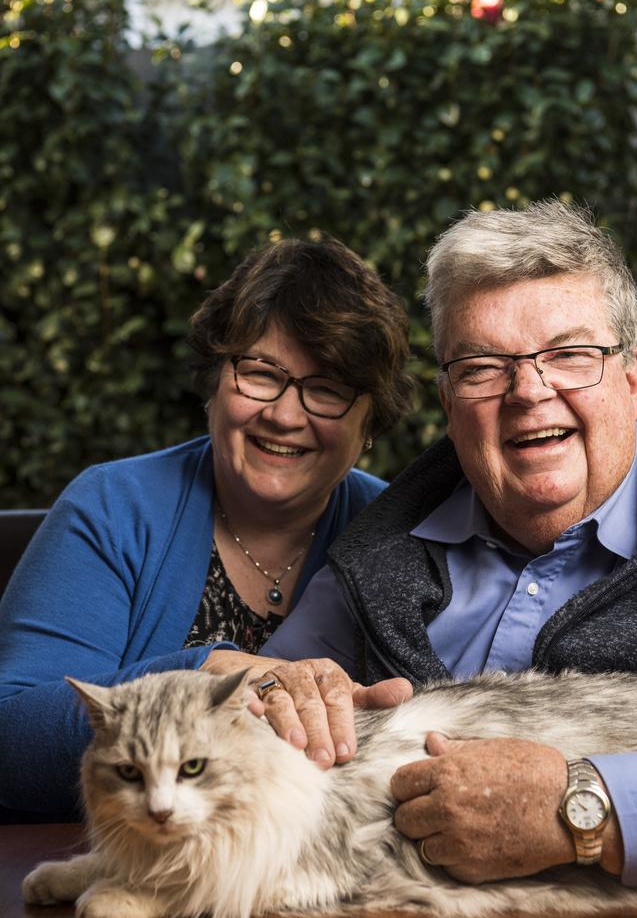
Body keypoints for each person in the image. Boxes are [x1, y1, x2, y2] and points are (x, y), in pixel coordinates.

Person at [253, 201, 637, 902]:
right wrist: (276, 700)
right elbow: (258, 715)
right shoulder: (376, 552)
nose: (530, 391)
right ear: (447, 399)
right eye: (482, 367)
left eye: (570, 355)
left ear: (632, 376)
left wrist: (585, 808)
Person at [0, 236, 413, 820]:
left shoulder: (403, 534)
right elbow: (8, 740)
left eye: (327, 390)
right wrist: (202, 674)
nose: (285, 415)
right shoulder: (112, 507)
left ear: (370, 421)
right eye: (261, 373)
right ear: (215, 381)